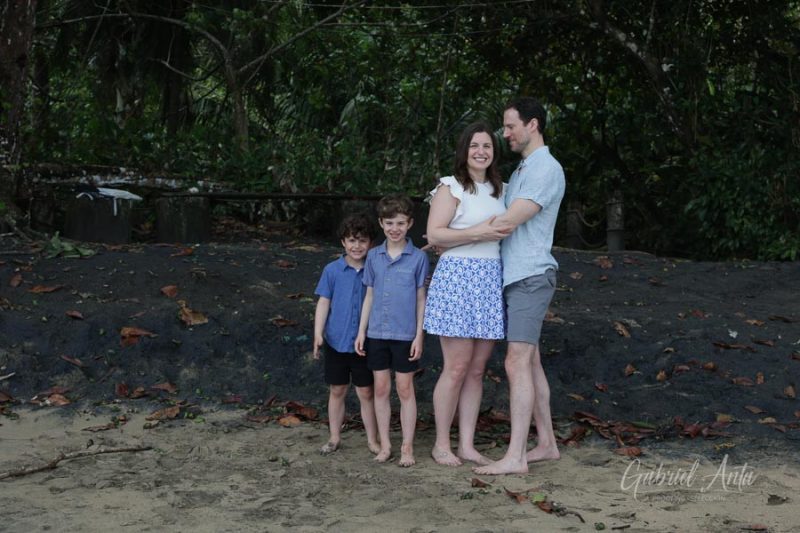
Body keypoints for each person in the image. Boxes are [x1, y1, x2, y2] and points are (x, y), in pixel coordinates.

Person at [473, 96, 566, 475]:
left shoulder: (546, 169)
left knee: (516, 361)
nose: (505, 133)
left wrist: (448, 237)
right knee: (531, 362)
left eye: (510, 126)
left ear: (533, 125)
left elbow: (507, 223)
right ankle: (546, 444)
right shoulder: (527, 168)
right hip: (517, 277)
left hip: (531, 276)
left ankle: (515, 457)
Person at [423, 121, 511, 467]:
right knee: (456, 367)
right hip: (458, 278)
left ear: (494, 151)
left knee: (477, 370)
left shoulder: (500, 189)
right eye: (475, 145)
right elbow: (435, 235)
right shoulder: (451, 187)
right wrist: (478, 233)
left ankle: (468, 445)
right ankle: (441, 443)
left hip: (490, 279)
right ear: (464, 150)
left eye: (487, 146)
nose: (481, 152)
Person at [355, 194, 429, 467]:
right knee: (381, 388)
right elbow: (370, 296)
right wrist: (362, 332)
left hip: (405, 334)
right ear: (381, 224)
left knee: (405, 388)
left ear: (409, 224)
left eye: (400, 223)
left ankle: (407, 447)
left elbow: (421, 299)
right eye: (389, 223)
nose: (394, 228)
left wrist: (419, 335)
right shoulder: (373, 256)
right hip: (376, 333)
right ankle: (386, 445)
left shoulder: (418, 257)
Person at [313, 213, 380, 456]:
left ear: (371, 243)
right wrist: (318, 333)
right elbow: (323, 302)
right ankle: (334, 437)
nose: (357, 246)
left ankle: (373, 439)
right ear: (343, 242)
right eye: (352, 240)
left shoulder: (375, 270)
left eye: (362, 241)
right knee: (337, 390)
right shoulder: (332, 270)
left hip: (364, 342)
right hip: (336, 340)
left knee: (366, 392)